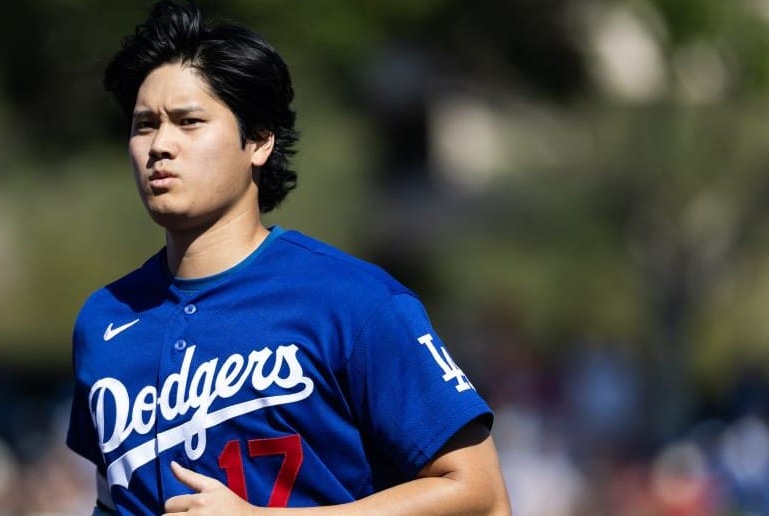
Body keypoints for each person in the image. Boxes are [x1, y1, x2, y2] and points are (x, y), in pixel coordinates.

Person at [66, 1, 511, 514]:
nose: (160, 145)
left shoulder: (356, 303)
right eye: (144, 125)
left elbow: (483, 497)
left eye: (189, 122)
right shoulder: (103, 320)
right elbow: (110, 500)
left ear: (259, 140)